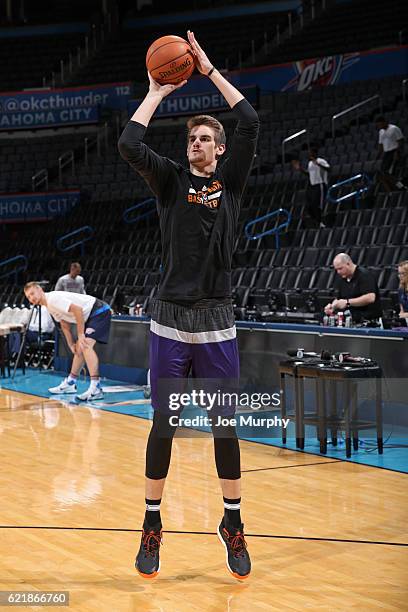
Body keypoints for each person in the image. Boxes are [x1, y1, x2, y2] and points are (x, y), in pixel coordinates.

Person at [118, 30, 259, 581]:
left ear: (219, 149)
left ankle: (233, 522)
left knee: (226, 426)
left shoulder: (233, 181)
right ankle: (151, 525)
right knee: (163, 427)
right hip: (171, 321)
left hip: (218, 320)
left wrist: (208, 70)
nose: (195, 144)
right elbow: (130, 145)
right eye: (192, 139)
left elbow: (250, 122)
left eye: (204, 139)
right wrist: (156, 91)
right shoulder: (172, 181)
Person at [24, 282, 111, 401]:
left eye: (32, 293)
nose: (31, 298)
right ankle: (71, 383)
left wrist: (80, 335)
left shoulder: (53, 299)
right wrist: (71, 344)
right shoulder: (49, 306)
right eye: (28, 297)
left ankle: (96, 387)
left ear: (40, 290)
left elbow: (78, 310)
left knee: (85, 345)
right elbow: (64, 324)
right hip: (90, 316)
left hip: (99, 311)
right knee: (79, 349)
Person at [324, 253, 383, 323]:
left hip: (367, 319)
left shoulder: (364, 275)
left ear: (348, 264)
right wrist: (333, 307)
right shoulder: (343, 278)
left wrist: (348, 302)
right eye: (336, 269)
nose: (338, 272)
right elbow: (339, 299)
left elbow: (370, 298)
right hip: (351, 318)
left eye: (340, 268)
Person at [292, 147, 329, 227]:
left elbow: (329, 169)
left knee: (317, 204)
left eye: (311, 153)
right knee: (310, 205)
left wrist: (318, 164)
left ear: (315, 153)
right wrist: (300, 169)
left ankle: (320, 222)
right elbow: (309, 174)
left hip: (320, 184)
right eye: (309, 153)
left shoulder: (320, 161)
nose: (310, 154)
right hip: (312, 185)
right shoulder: (310, 163)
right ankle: (317, 221)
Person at [375, 116, 406, 192]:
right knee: (381, 174)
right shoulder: (381, 131)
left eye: (380, 124)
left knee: (388, 173)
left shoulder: (394, 128)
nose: (379, 126)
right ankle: (391, 191)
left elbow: (401, 141)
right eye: (378, 125)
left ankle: (401, 187)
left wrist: (397, 152)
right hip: (386, 154)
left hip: (394, 152)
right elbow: (381, 144)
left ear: (385, 122)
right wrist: (378, 156)